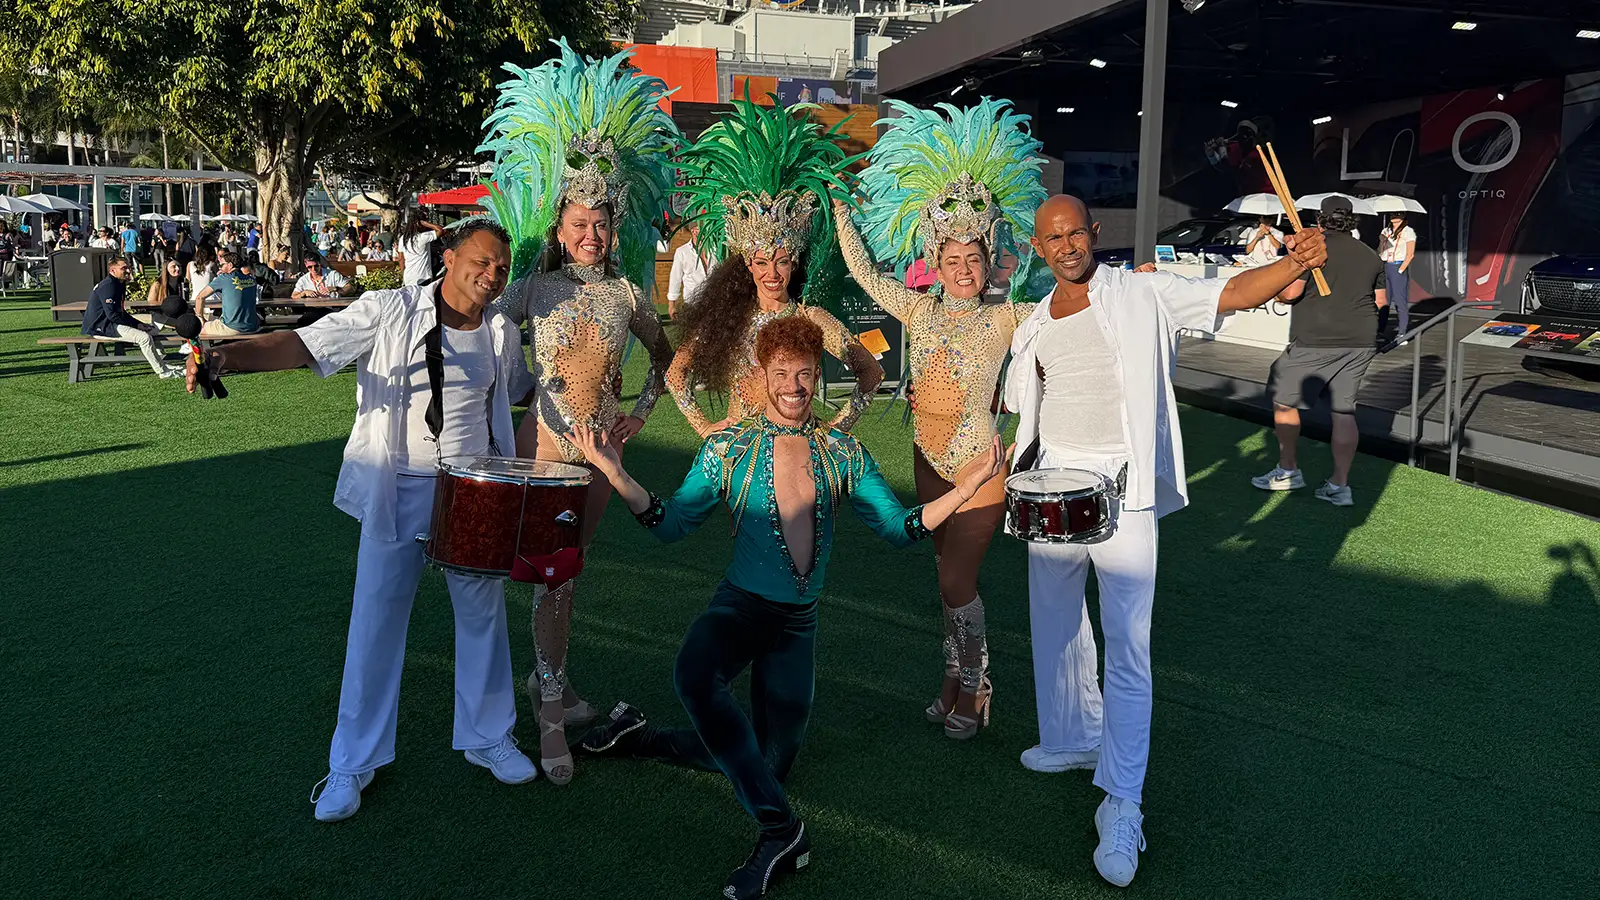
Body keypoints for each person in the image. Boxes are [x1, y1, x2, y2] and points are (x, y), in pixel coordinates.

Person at [575, 315, 1005, 900]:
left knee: (765, 764)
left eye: (805, 375)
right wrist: (615, 472)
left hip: (797, 625)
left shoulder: (843, 453)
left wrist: (966, 489)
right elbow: (673, 523)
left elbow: (899, 528)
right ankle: (782, 833)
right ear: (761, 374)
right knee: (695, 676)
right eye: (782, 374)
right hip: (740, 608)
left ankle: (638, 734)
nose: (795, 387)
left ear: (816, 374)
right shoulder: (728, 447)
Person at [1007, 194, 1326, 887]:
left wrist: (1292, 261)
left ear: (1096, 233)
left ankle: (1123, 800)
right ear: (1039, 248)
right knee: (1056, 623)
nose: (1067, 246)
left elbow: (1232, 291)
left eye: (1075, 233)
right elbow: (1025, 406)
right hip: (1050, 487)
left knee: (1128, 643)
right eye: (1052, 238)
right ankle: (1072, 737)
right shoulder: (1032, 323)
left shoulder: (1141, 291)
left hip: (1122, 488)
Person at [184, 220, 538, 821]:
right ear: (448, 257)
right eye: (482, 261)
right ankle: (353, 762)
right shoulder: (388, 311)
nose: (492, 275)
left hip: (472, 492)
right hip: (398, 484)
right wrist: (225, 358)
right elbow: (305, 344)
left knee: (482, 614)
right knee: (376, 620)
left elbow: (514, 394)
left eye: (501, 268)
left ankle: (487, 737)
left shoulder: (500, 330)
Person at [485, 40, 679, 785]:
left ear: (614, 222)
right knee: (552, 575)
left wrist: (642, 416)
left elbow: (666, 360)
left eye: (601, 221)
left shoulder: (629, 295)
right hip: (546, 449)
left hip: (604, 454)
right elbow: (481, 320)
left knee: (573, 568)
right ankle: (550, 708)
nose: (591, 233)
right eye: (578, 221)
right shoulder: (534, 288)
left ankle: (548, 681)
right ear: (559, 225)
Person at [833, 97, 1050, 738]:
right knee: (944, 581)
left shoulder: (1007, 316)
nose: (962, 270)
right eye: (952, 261)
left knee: (959, 579)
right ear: (936, 261)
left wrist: (1114, 279)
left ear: (989, 261)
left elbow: (1064, 307)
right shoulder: (919, 309)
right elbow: (863, 272)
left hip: (981, 465)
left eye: (973, 260)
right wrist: (842, 211)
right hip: (928, 462)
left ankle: (978, 686)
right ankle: (952, 680)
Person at [666, 95, 883, 439]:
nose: (772, 274)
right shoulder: (729, 317)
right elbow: (675, 374)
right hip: (737, 454)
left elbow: (871, 373)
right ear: (747, 265)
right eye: (762, 263)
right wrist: (705, 429)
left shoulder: (811, 319)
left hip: (800, 455)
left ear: (794, 263)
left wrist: (833, 430)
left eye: (781, 262)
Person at [1252, 195, 1386, 507]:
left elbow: (1291, 292)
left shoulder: (1310, 248)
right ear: (1351, 220)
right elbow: (1381, 303)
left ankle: (1288, 470)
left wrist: (1280, 293)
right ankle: (1340, 485)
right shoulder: (1370, 256)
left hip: (1315, 338)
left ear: (1319, 219)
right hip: (1361, 339)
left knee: (1284, 402)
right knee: (1343, 411)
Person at [80, 255, 182, 378]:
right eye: (124, 268)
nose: (128, 270)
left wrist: (139, 324)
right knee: (144, 338)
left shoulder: (118, 283)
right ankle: (162, 371)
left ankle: (163, 364)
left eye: (128, 267)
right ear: (113, 271)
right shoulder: (108, 286)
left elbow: (120, 313)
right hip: (101, 326)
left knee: (152, 330)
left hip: (109, 323)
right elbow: (113, 315)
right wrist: (136, 325)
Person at [191, 252, 261, 336]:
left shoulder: (224, 278)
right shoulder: (251, 279)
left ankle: (193, 348)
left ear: (230, 265)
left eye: (221, 265)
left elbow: (200, 297)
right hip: (253, 326)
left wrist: (200, 318)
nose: (219, 267)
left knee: (196, 329)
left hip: (232, 328)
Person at [1377, 211, 1417, 342]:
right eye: (1392, 214)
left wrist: (1401, 269)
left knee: (1400, 301)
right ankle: (1380, 331)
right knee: (1384, 301)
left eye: (1397, 214)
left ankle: (1402, 333)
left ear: (1403, 216)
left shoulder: (1408, 231)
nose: (1393, 216)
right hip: (1385, 265)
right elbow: (1380, 249)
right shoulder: (1385, 230)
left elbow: (1410, 254)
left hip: (1397, 266)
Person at [665, 219, 711, 318]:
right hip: (692, 303)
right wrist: (671, 305)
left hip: (714, 302)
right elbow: (675, 278)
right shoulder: (682, 252)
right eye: (700, 229)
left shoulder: (715, 251)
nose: (705, 232)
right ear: (693, 231)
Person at [397, 208, 446, 286]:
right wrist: (425, 223)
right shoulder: (423, 237)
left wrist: (403, 274)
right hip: (424, 277)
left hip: (408, 277)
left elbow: (401, 259)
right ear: (419, 223)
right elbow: (442, 230)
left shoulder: (403, 239)